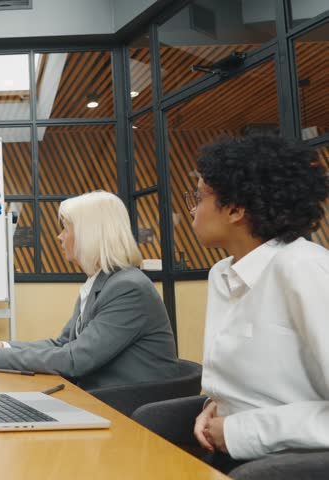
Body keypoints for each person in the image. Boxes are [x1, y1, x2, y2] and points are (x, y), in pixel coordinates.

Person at [136, 134, 329, 474]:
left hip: (288, 455)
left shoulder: (303, 268)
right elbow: (245, 381)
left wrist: (240, 430)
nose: (192, 209)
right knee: (143, 427)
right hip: (232, 441)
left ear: (236, 209)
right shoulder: (222, 274)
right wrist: (214, 405)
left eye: (199, 197)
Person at [0, 191, 178, 389]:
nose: (59, 237)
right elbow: (63, 344)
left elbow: (75, 359)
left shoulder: (129, 288)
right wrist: (3, 347)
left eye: (65, 229)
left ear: (88, 234)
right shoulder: (100, 283)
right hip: (102, 398)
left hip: (126, 408)